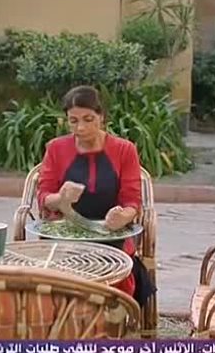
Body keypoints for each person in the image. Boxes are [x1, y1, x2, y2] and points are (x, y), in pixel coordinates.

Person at [37, 85, 156, 307]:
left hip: (110, 234)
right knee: (56, 271)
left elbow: (132, 201)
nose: (81, 127)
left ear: (101, 116)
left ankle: (109, 318)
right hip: (65, 234)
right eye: (73, 121)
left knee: (114, 271)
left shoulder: (124, 150)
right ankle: (62, 319)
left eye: (88, 119)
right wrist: (60, 199)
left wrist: (122, 216)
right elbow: (44, 196)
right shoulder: (56, 148)